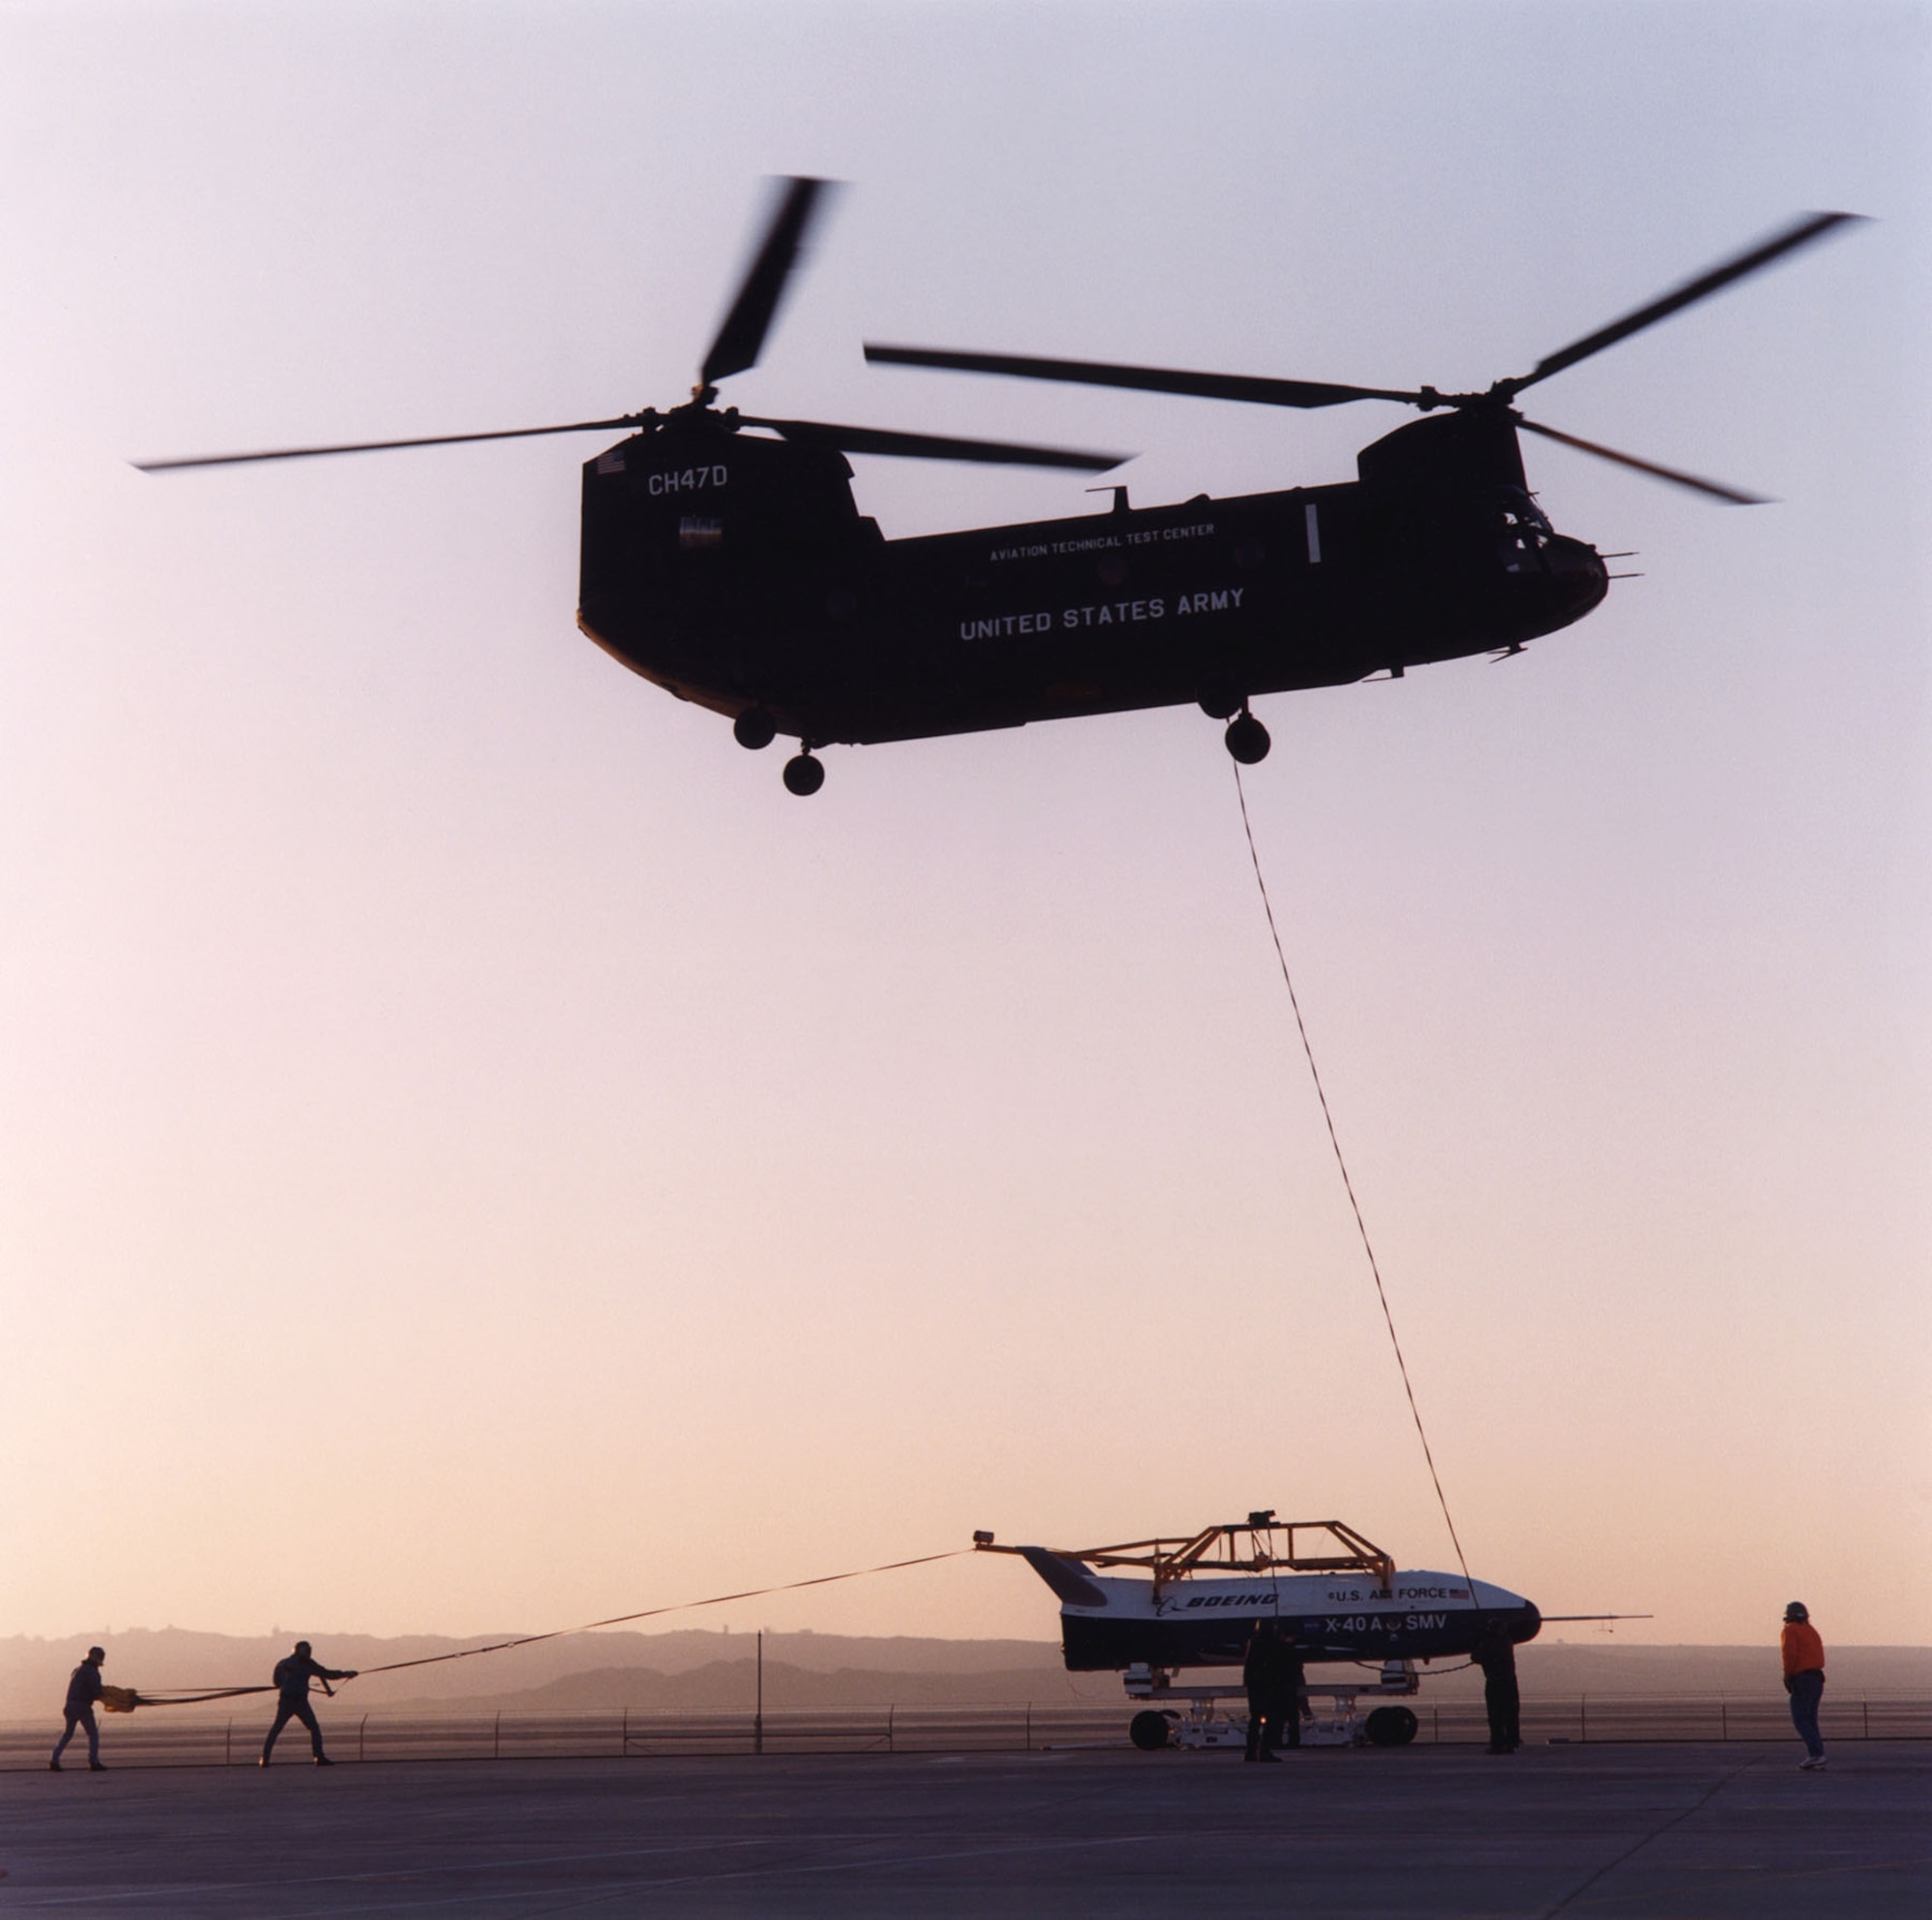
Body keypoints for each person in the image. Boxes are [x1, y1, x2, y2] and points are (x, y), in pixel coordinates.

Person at [260, 1640, 357, 1766]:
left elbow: (277, 1682)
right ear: (300, 1650)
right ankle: (318, 1757)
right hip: (298, 1701)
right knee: (314, 1728)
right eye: (306, 1650)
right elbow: (327, 1674)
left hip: (287, 1700)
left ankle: (265, 1759)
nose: (309, 1653)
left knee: (276, 1729)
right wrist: (346, 1674)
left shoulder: (282, 1663)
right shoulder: (307, 1664)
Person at [1242, 1621, 1304, 1762]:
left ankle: (1251, 1751)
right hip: (1268, 1688)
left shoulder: (1253, 1643)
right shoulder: (1272, 1644)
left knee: (1255, 1720)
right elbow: (1288, 1658)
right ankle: (1264, 1750)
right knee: (1271, 1720)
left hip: (1254, 1688)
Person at [1781, 1601, 1827, 1770]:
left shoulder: (1790, 1630)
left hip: (1803, 1678)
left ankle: (1816, 1754)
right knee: (1810, 1719)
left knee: (1800, 1718)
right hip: (1817, 1678)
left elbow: (1789, 1655)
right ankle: (1817, 1754)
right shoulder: (1812, 1631)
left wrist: (1788, 1677)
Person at [49, 1646, 108, 1771]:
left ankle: (54, 1759)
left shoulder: (78, 1670)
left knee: (68, 1734)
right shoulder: (92, 1672)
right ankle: (93, 1761)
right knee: (93, 1734)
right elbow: (96, 1691)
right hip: (82, 1707)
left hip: (69, 1706)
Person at [1473, 1618, 1521, 1754]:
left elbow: (1476, 1657)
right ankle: (1511, 1741)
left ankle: (1498, 1744)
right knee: (1510, 1714)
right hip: (1510, 1682)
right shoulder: (1507, 1641)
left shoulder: (1490, 1642)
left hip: (1495, 1682)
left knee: (1496, 1716)